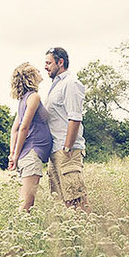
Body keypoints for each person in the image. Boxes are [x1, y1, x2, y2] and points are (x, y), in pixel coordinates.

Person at [43, 47, 89, 211]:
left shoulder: (71, 83)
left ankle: (91, 234)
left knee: (76, 200)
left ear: (60, 62)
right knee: (64, 203)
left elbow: (75, 117)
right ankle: (74, 236)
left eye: (49, 63)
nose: (45, 67)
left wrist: (67, 148)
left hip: (66, 151)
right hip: (55, 152)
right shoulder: (56, 86)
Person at [8, 62, 53, 212]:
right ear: (30, 77)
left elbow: (14, 130)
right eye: (36, 70)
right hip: (31, 155)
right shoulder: (33, 97)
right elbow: (23, 128)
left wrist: (13, 153)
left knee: (25, 202)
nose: (40, 71)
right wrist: (14, 156)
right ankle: (16, 233)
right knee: (26, 204)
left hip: (27, 155)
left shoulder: (23, 99)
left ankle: (17, 231)